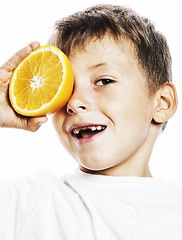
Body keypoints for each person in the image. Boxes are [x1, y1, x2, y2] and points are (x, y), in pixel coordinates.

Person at [0, 4, 182, 240]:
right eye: (64, 89)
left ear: (163, 103)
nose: (74, 103)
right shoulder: (28, 202)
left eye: (104, 81)